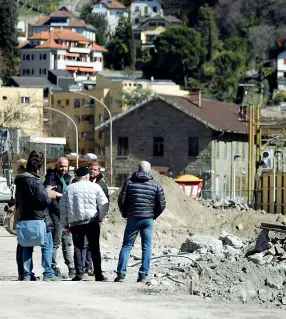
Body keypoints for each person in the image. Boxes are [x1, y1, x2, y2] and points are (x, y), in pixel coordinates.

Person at [114, 161, 166, 283]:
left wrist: (125, 213)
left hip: (132, 218)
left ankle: (121, 274)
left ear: (138, 169)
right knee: (146, 247)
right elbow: (162, 205)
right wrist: (153, 216)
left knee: (127, 246)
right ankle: (143, 275)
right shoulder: (156, 185)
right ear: (150, 170)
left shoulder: (129, 183)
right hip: (148, 219)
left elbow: (121, 200)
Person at [60, 167, 109, 281]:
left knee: (78, 248)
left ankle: (79, 274)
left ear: (76, 176)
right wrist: (100, 217)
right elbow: (104, 203)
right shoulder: (95, 186)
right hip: (92, 221)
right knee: (95, 248)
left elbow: (63, 207)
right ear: (87, 176)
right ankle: (98, 274)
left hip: (76, 223)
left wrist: (65, 224)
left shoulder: (69, 189)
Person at [15, 156, 58, 281]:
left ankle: (27, 274)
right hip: (40, 219)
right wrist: (50, 194)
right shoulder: (36, 181)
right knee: (47, 245)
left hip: (24, 218)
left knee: (27, 246)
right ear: (38, 169)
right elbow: (44, 200)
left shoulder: (19, 182)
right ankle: (48, 273)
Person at [44, 157, 75, 278]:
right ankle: (52, 267)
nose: (63, 168)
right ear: (57, 166)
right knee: (55, 242)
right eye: (61, 166)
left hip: (67, 215)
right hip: (55, 215)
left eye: (65, 166)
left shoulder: (69, 179)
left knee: (67, 242)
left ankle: (71, 267)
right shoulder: (51, 178)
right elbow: (47, 195)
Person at [82, 161, 109, 275]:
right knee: (83, 243)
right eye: (91, 169)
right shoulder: (82, 182)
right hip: (83, 217)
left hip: (96, 218)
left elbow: (105, 202)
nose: (92, 171)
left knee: (92, 244)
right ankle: (82, 267)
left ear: (98, 171)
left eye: (95, 169)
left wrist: (101, 216)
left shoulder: (101, 184)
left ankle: (90, 267)